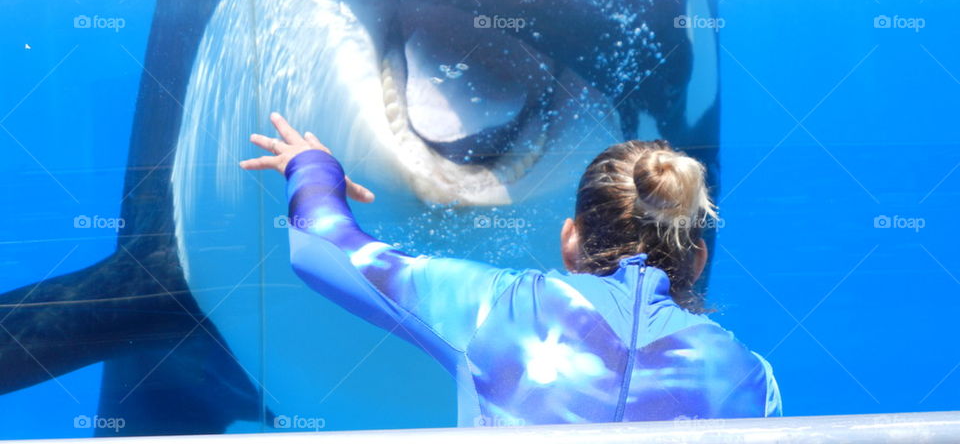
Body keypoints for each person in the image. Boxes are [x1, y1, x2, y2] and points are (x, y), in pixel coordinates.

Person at [240, 112, 781, 426]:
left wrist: (310, 167)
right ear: (698, 260)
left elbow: (321, 249)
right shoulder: (750, 376)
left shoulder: (498, 307)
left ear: (570, 239)